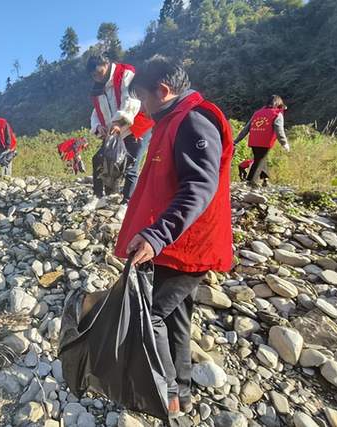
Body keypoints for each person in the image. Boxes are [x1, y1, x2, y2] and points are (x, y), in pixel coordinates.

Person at [114, 55, 233, 416]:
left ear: (163, 91)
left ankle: (165, 395)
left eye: (146, 99)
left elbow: (200, 185)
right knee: (176, 316)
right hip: (174, 243)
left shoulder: (195, 120)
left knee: (151, 316)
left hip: (189, 244)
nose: (145, 108)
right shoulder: (171, 119)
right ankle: (182, 395)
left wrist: (156, 236)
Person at [84, 54, 155, 212]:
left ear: (106, 63)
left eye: (98, 72)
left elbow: (131, 100)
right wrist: (98, 127)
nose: (97, 77)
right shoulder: (97, 88)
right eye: (93, 76)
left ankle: (127, 203)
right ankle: (98, 196)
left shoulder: (125, 74)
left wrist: (119, 121)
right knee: (98, 159)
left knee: (131, 164)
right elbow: (96, 112)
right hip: (114, 131)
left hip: (137, 125)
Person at [234, 95, 290, 187]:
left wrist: (236, 140)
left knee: (259, 159)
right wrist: (284, 143)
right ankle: (250, 181)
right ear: (279, 104)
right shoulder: (277, 114)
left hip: (254, 141)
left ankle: (265, 179)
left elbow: (247, 128)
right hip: (265, 142)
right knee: (259, 160)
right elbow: (279, 130)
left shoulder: (257, 113)